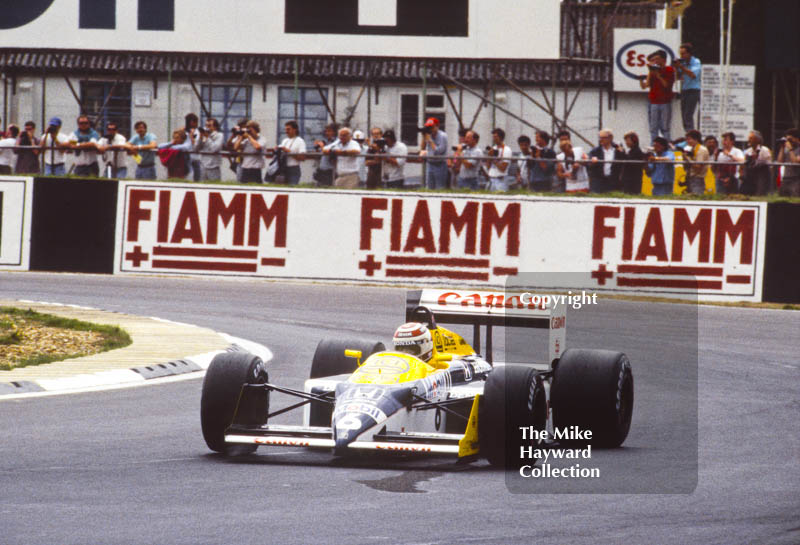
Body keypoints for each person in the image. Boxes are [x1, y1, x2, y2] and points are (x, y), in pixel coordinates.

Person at [640, 49, 675, 143]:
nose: (655, 61)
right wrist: (645, 76)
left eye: (657, 59)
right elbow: (646, 85)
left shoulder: (669, 70)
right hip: (653, 101)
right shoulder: (652, 71)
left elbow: (667, 85)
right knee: (653, 127)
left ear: (663, 60)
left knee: (665, 127)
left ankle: (667, 144)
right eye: (654, 59)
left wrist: (658, 75)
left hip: (665, 102)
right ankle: (654, 144)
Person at [673, 43, 702, 132]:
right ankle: (688, 133)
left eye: (683, 53)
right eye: (680, 54)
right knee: (683, 115)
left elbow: (693, 75)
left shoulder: (696, 62)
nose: (682, 56)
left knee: (688, 114)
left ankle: (691, 135)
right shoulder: (683, 63)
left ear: (689, 53)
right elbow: (677, 77)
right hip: (685, 89)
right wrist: (676, 68)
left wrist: (681, 66)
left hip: (693, 90)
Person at [588, 128, 623, 193]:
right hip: (599, 183)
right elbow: (589, 164)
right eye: (600, 137)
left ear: (610, 138)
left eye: (603, 138)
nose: (600, 140)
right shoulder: (595, 151)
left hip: (613, 182)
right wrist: (592, 161)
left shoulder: (617, 151)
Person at [419, 117, 448, 190]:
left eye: (431, 127)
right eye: (429, 127)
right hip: (430, 164)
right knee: (429, 187)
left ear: (437, 126)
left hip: (440, 164)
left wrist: (430, 141)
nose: (430, 129)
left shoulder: (443, 136)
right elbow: (422, 148)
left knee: (440, 188)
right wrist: (424, 137)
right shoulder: (429, 135)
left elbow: (438, 151)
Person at [741, 130, 772, 196]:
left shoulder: (765, 150)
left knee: (760, 194)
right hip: (750, 177)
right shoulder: (748, 151)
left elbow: (769, 166)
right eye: (749, 138)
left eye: (751, 138)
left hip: (762, 177)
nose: (749, 140)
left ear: (757, 140)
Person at [277, 120, 306, 185]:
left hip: (294, 169)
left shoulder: (300, 141)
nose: (286, 131)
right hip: (283, 168)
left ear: (295, 129)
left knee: (292, 188)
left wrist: (289, 152)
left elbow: (302, 158)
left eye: (288, 129)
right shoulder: (285, 141)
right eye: (285, 129)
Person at [681, 129, 709, 195]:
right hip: (690, 177)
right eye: (686, 139)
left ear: (696, 139)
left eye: (689, 139)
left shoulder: (701, 150)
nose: (687, 141)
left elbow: (698, 167)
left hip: (697, 179)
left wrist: (687, 158)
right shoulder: (691, 149)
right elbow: (686, 167)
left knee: (696, 198)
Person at [776, 128, 800, 197]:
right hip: (786, 178)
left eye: (790, 139)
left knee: (795, 200)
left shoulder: (793, 149)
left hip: (796, 179)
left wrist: (791, 149)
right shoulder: (787, 149)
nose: (789, 142)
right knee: (782, 199)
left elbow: (795, 163)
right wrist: (782, 148)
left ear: (797, 139)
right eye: (787, 140)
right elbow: (779, 162)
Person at [225, 118, 249, 182]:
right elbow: (229, 145)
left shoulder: (249, 135)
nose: (241, 127)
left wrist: (242, 136)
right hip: (239, 161)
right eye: (240, 126)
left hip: (247, 161)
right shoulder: (238, 135)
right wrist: (233, 135)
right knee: (239, 180)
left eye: (242, 126)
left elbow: (240, 146)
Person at [184, 113, 202, 181]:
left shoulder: (198, 132)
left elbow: (196, 145)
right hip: (186, 158)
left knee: (197, 178)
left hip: (195, 158)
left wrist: (191, 136)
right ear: (191, 122)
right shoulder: (183, 131)